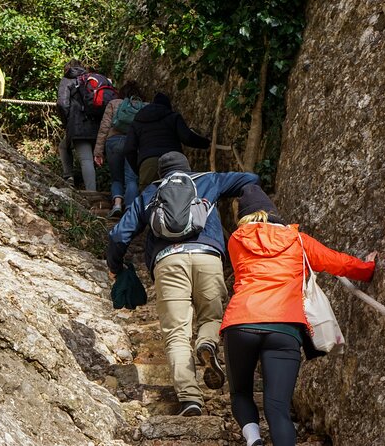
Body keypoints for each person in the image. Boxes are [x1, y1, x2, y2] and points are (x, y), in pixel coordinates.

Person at [221, 184, 378, 446]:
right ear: (273, 212)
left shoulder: (236, 240)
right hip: (284, 328)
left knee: (240, 393)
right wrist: (367, 267)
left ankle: (253, 440)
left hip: (241, 323)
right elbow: (337, 262)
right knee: (277, 407)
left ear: (244, 216)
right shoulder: (298, 240)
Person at [107, 151, 260, 416]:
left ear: (161, 174)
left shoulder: (150, 194)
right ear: (187, 168)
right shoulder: (209, 181)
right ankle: (207, 342)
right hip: (208, 258)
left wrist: (115, 266)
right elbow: (250, 178)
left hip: (168, 263)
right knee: (211, 316)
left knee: (176, 333)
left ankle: (190, 399)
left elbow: (120, 234)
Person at [123, 92, 210, 190]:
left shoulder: (137, 121)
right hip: (174, 162)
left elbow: (128, 149)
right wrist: (206, 143)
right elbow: (187, 138)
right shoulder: (173, 116)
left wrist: (139, 168)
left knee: (148, 200)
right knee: (178, 197)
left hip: (149, 163)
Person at [93, 81, 143, 217]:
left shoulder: (114, 103)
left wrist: (98, 152)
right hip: (133, 144)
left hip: (113, 142)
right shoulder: (142, 106)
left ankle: (117, 204)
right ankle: (131, 209)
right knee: (131, 178)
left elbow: (104, 128)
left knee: (116, 178)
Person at [56, 59, 100, 191]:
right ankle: (69, 177)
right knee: (64, 146)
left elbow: (62, 103)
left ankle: (91, 192)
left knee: (86, 159)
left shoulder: (67, 79)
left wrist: (66, 121)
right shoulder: (90, 78)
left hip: (78, 124)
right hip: (96, 124)